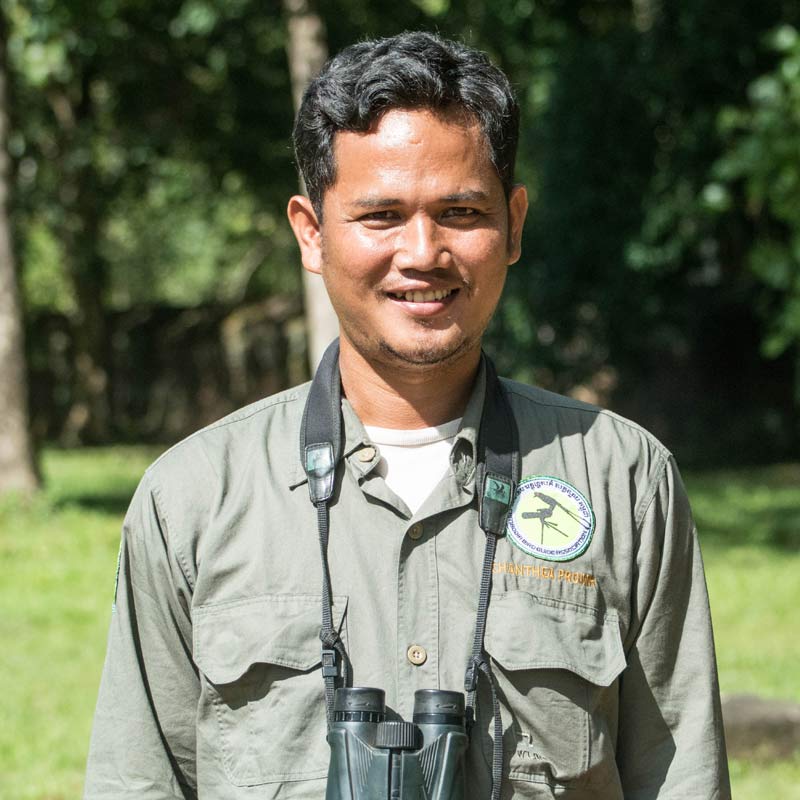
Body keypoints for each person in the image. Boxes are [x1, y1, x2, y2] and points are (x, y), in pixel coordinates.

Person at [84, 31, 730, 800]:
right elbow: (139, 783)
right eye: (381, 215)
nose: (423, 252)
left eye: (461, 211)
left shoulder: (624, 480)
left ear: (514, 224)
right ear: (311, 233)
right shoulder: (191, 499)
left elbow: (680, 778)